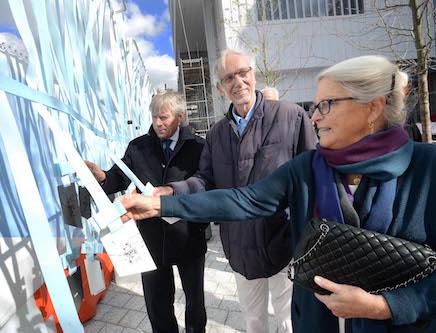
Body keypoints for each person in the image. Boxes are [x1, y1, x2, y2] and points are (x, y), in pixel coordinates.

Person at [119, 55, 436, 333]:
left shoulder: (427, 168)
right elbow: (241, 199)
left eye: (326, 105)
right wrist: (160, 204)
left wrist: (385, 306)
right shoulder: (308, 168)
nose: (314, 116)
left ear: (372, 108)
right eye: (314, 107)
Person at [153, 49, 317, 333]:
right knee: (254, 323)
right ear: (220, 88)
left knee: (291, 322)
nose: (238, 82)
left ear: (254, 75)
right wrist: (171, 190)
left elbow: (314, 175)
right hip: (240, 247)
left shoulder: (290, 116)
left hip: (285, 243)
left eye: (243, 73)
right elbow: (205, 180)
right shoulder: (217, 134)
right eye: (229, 78)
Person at [85, 91, 207, 333]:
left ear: (180, 117)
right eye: (154, 117)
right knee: (157, 303)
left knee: (195, 301)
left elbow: (205, 183)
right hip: (151, 240)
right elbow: (116, 179)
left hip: (189, 236)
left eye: (164, 117)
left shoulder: (199, 147)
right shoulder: (138, 147)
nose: (158, 123)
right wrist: (102, 177)